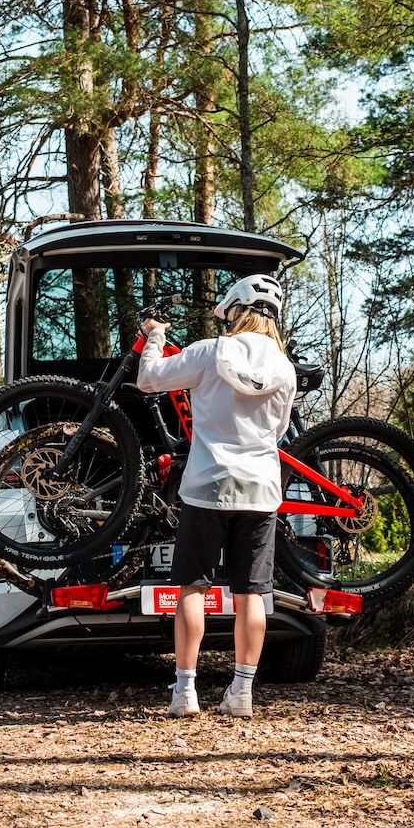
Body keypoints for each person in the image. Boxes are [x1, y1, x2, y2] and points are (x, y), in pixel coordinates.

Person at [136, 273, 297, 718]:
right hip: (260, 489)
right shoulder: (284, 369)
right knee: (252, 594)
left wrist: (155, 336)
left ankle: (185, 692)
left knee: (192, 587)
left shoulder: (211, 351)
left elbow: (149, 379)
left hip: (208, 484)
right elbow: (279, 431)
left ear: (236, 310)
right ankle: (241, 692)